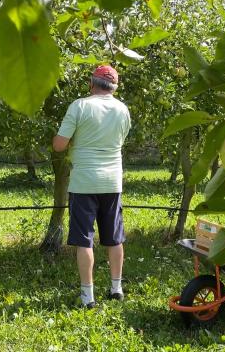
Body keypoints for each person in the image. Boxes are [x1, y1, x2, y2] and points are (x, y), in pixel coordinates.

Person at [53, 65, 131, 308]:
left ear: (91, 83)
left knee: (84, 240)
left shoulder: (80, 106)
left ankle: (88, 296)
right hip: (112, 181)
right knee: (114, 237)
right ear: (114, 87)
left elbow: (59, 145)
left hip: (84, 181)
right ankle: (116, 288)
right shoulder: (123, 109)